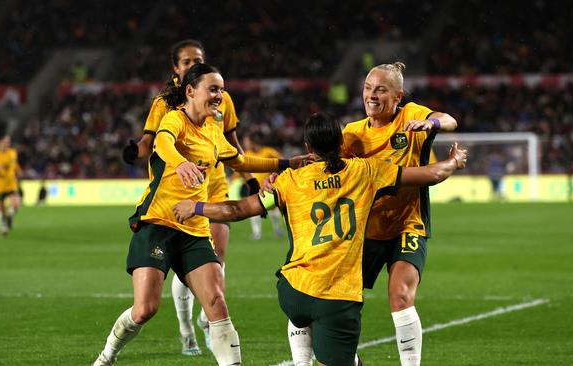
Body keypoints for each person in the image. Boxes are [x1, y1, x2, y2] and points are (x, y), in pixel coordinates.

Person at [172, 113, 467, 366]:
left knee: (304, 311)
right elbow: (430, 174)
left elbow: (238, 210)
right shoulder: (366, 171)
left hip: (293, 292)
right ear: (342, 143)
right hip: (337, 299)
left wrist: (195, 207)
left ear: (307, 146)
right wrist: (453, 162)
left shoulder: (288, 180)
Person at [92, 63, 308, 366]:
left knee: (217, 304)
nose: (220, 95)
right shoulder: (174, 119)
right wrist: (180, 163)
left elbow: (242, 161)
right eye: (214, 89)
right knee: (145, 309)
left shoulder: (213, 133)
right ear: (191, 91)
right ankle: (106, 356)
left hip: (194, 230)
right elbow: (162, 142)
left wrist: (287, 163)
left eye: (221, 89)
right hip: (157, 223)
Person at [121, 39, 260, 355]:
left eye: (197, 60)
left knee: (216, 261)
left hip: (214, 182)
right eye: (185, 61)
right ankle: (187, 332)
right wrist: (135, 151)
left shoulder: (220, 98)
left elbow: (233, 145)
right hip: (177, 186)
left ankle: (209, 320)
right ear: (176, 69)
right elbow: (153, 141)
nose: (190, 65)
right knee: (184, 264)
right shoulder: (165, 105)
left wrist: (250, 177)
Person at [339, 62, 458, 366]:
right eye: (367, 88)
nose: (371, 95)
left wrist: (430, 125)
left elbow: (449, 120)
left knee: (400, 296)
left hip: (408, 224)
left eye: (380, 89)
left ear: (398, 96)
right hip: (365, 229)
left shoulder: (411, 115)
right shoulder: (351, 135)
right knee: (337, 301)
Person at [241, 133, 284, 240]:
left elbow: (282, 161)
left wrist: (276, 174)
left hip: (268, 187)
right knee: (253, 210)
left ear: (253, 142)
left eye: (247, 141)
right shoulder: (247, 153)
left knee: (273, 210)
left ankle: (278, 230)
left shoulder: (268, 151)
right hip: (254, 187)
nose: (246, 144)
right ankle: (257, 233)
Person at [0, 135, 21, 236]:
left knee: (16, 203)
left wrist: (19, 170)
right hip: (0, 186)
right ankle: (3, 228)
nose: (7, 144)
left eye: (8, 142)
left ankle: (10, 216)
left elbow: (15, 164)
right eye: (5, 142)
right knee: (1, 208)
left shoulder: (13, 152)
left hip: (12, 184)